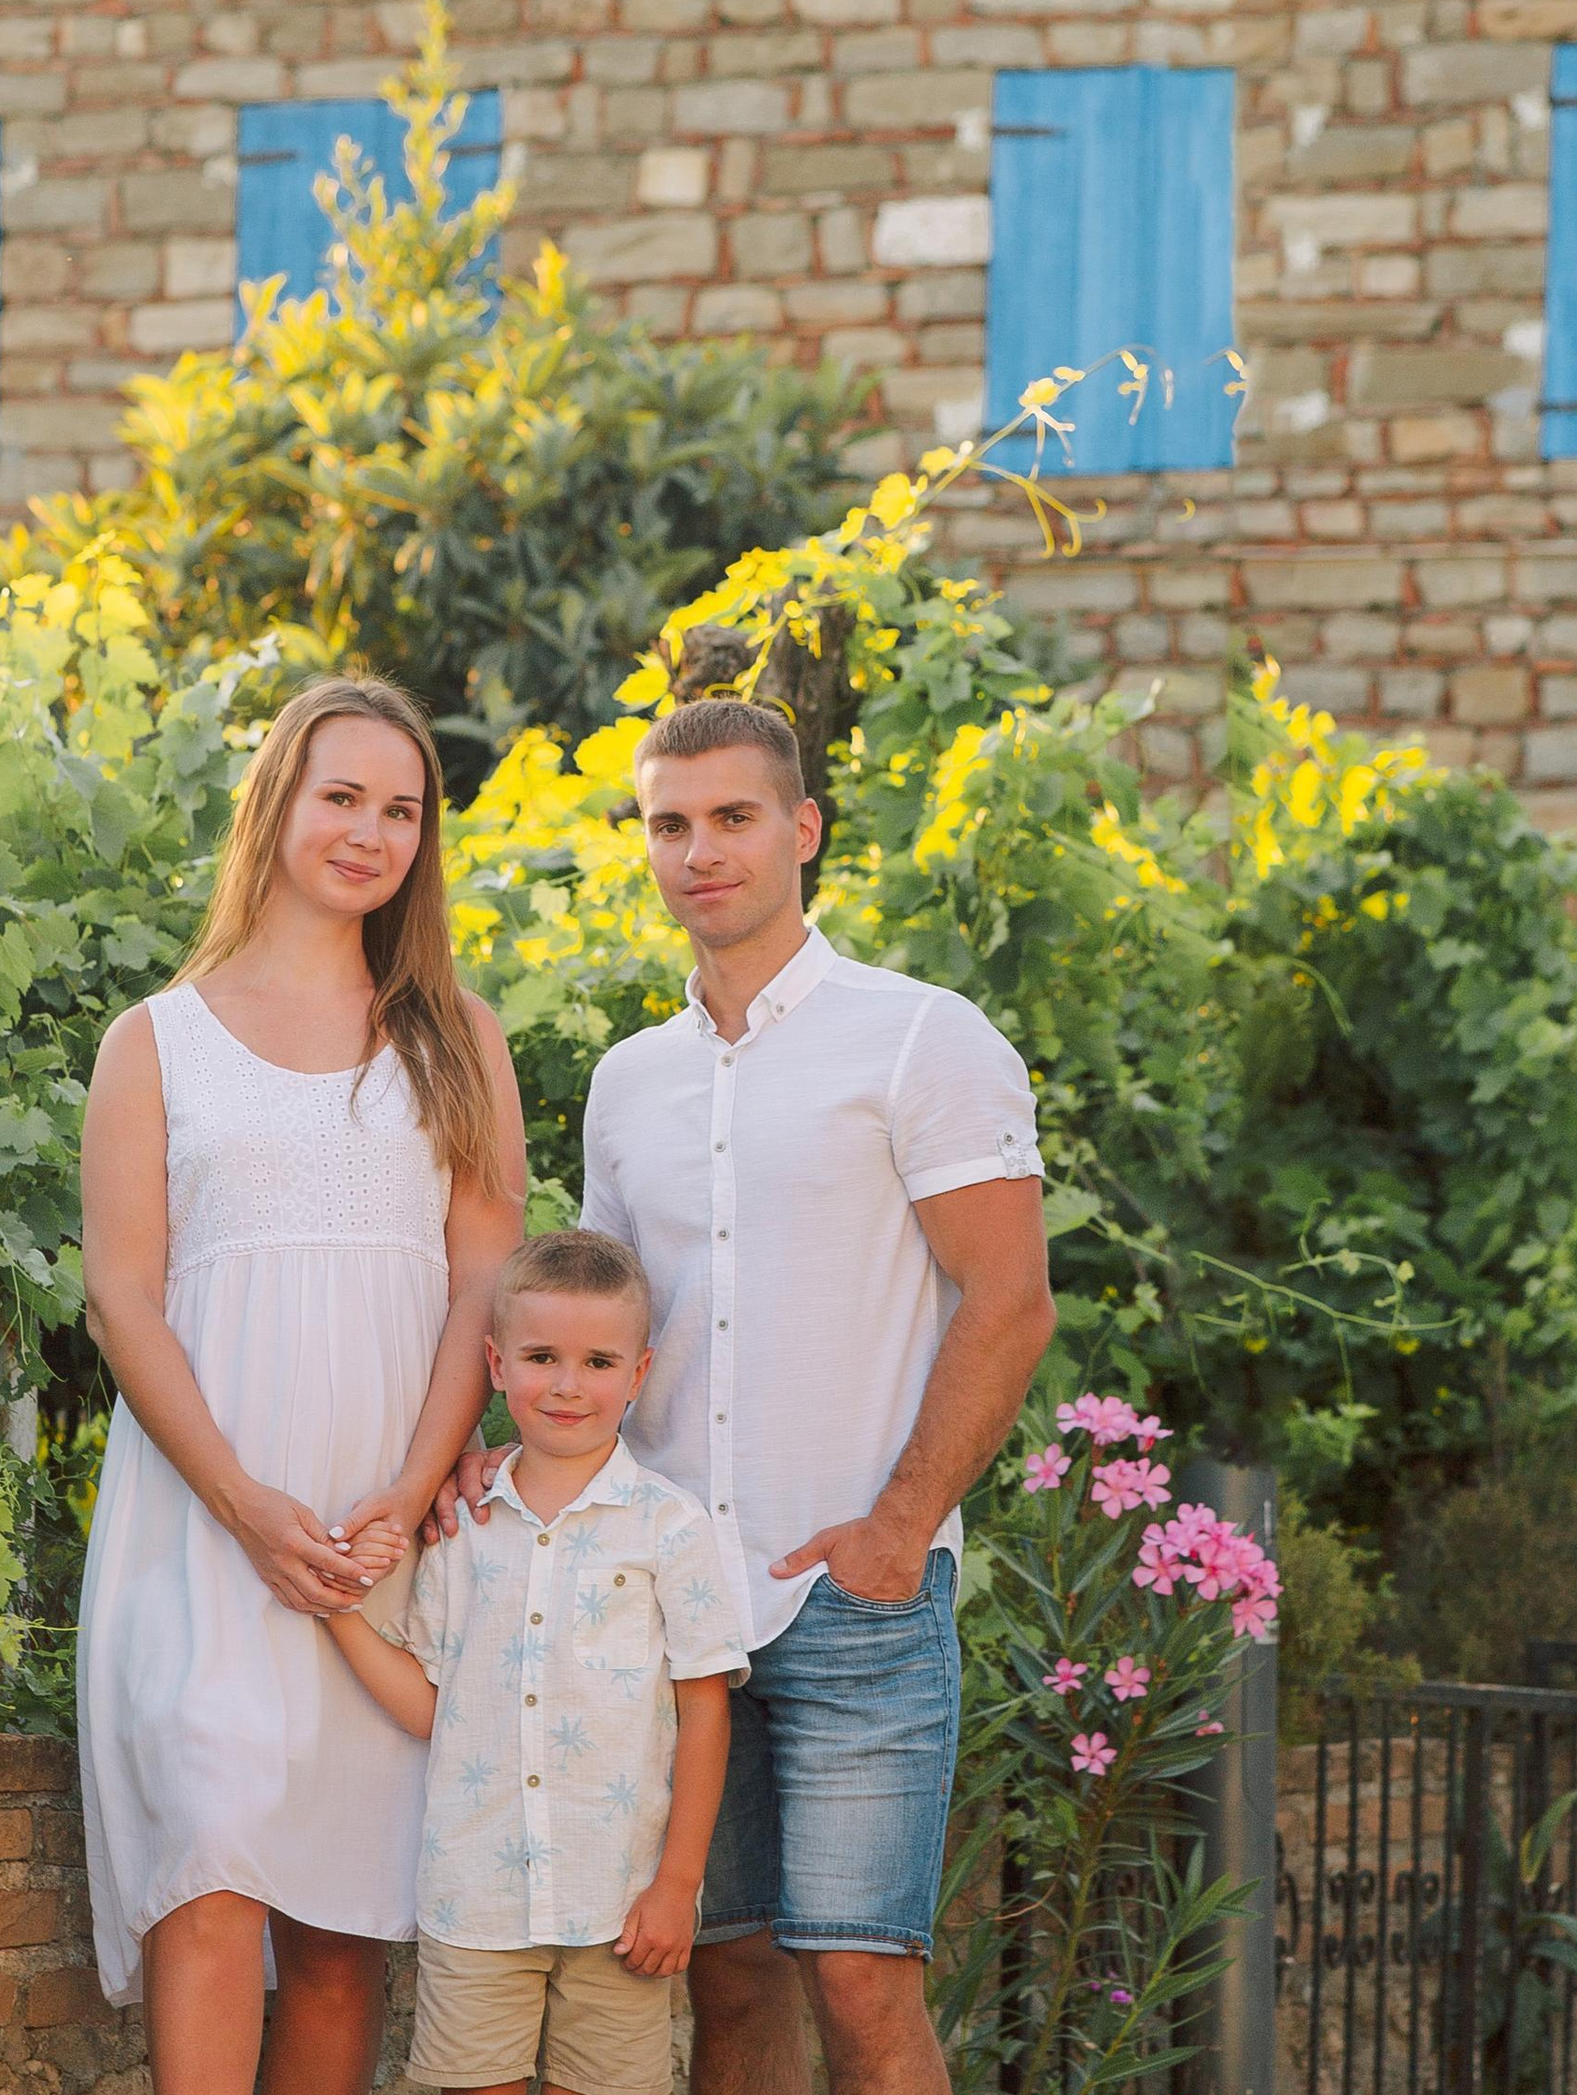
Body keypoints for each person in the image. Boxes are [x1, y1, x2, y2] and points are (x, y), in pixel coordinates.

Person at [446, 695, 1055, 2095]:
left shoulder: (920, 1039)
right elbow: (599, 1329)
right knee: (721, 1981)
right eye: (671, 824)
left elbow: (1011, 1303)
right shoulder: (628, 1082)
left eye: (732, 818)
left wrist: (898, 1529)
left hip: (856, 1602)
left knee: (862, 1987)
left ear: (803, 830)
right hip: (667, 1613)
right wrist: (503, 1454)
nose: (700, 850)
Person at [76, 674, 527, 2095]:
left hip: (381, 1538)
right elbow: (121, 1298)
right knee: (209, 1870)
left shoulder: (458, 1034)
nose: (371, 832)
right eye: (343, 797)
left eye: (402, 810)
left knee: (342, 1933)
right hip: (205, 1532)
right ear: (276, 802)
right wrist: (247, 1506)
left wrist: (402, 1495)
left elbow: (484, 1288)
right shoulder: (156, 1040)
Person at [327, 1228, 748, 2095]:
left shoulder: (671, 1528)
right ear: (496, 1362)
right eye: (541, 1356)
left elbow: (706, 1712)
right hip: (477, 1898)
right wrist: (338, 1618)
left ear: (638, 1375)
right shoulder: (461, 1527)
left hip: (621, 1902)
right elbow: (434, 1708)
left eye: (598, 1362)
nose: (566, 1385)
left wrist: (677, 1886)